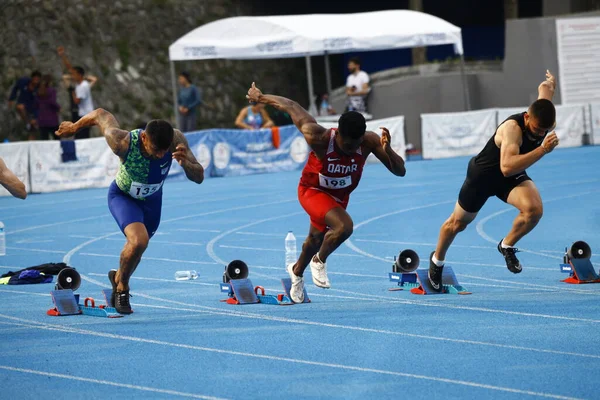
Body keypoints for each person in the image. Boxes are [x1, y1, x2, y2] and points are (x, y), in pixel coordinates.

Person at [246, 82, 406, 303]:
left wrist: (388, 151)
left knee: (314, 239)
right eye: (347, 145)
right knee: (344, 227)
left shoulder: (368, 141)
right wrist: (261, 97)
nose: (351, 150)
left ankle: (297, 272)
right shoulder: (318, 137)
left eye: (355, 146)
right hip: (312, 190)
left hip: (339, 196)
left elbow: (400, 172)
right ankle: (319, 261)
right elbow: (291, 106)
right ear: (338, 133)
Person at [55, 108, 205, 314]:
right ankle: (122, 288)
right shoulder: (122, 142)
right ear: (144, 137)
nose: (161, 155)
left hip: (152, 202)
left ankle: (118, 278)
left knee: (138, 250)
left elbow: (199, 177)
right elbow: (100, 114)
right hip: (124, 197)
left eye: (164, 151)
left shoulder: (175, 138)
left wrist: (186, 162)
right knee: (138, 241)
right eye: (156, 150)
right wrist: (74, 126)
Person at [428, 70, 559, 292]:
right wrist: (543, 150)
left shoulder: (543, 116)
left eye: (545, 130)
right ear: (527, 117)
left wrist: (549, 83)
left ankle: (506, 245)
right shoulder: (512, 130)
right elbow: (506, 167)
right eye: (537, 130)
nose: (540, 134)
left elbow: (545, 91)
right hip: (484, 175)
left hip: (510, 176)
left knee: (534, 211)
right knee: (457, 224)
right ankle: (436, 261)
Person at [57, 46, 95, 139]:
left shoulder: (82, 86)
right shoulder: (81, 83)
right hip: (84, 113)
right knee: (80, 135)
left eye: (74, 75)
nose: (72, 76)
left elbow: (77, 101)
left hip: (85, 114)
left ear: (80, 75)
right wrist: (63, 56)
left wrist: (72, 91)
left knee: (83, 136)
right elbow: (70, 69)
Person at [36, 75, 61, 140]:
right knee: (57, 138)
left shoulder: (38, 91)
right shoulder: (52, 90)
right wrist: (58, 107)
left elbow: (36, 104)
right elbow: (52, 102)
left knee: (44, 139)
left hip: (42, 119)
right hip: (52, 119)